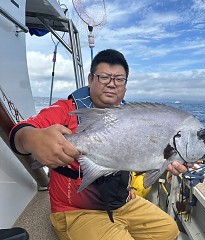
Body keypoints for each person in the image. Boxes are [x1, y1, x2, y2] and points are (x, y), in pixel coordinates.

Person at [9, 49, 190, 240]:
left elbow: (143, 158)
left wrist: (169, 161)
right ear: (90, 79)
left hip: (123, 203)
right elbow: (19, 132)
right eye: (104, 77)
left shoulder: (133, 118)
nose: (112, 84)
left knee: (169, 230)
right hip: (76, 211)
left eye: (119, 79)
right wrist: (33, 139)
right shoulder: (67, 110)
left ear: (125, 85)